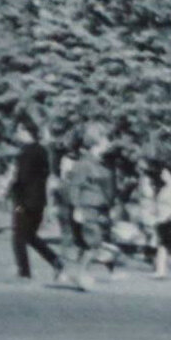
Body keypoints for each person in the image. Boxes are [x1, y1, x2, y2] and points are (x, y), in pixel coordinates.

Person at [7, 115, 65, 283]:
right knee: (30, 235)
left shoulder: (25, 153)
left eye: (19, 130)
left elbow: (22, 178)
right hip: (38, 201)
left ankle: (24, 272)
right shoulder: (42, 151)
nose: (17, 134)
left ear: (26, 131)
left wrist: (13, 190)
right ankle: (55, 260)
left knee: (18, 236)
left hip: (23, 201)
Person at [62, 122, 117, 291]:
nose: (108, 143)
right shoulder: (84, 164)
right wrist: (77, 208)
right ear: (95, 142)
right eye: (105, 139)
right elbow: (74, 187)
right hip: (87, 208)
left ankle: (76, 273)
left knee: (91, 245)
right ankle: (80, 274)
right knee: (93, 244)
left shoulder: (98, 163)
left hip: (97, 209)